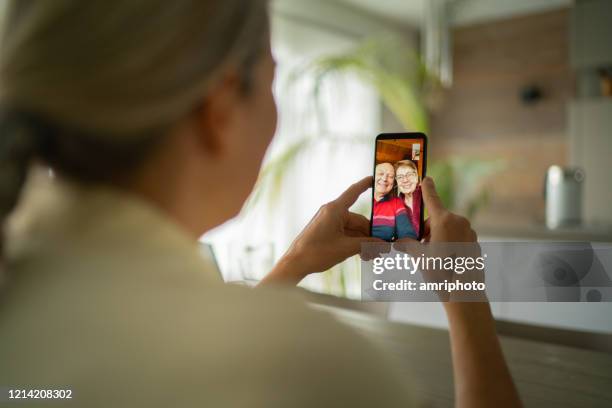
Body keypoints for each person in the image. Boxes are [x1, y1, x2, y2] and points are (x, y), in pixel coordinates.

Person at [0, 1, 521, 407]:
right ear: (221, 103)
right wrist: (464, 294)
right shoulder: (308, 364)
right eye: (273, 82)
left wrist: (293, 264)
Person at [371, 162, 416, 241]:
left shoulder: (396, 202)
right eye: (380, 173)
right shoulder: (359, 197)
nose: (384, 179)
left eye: (391, 176)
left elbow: (407, 234)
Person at [395, 160, 422, 237]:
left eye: (409, 175)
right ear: (397, 181)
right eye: (400, 177)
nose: (405, 180)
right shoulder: (395, 205)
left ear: (416, 177)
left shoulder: (426, 195)